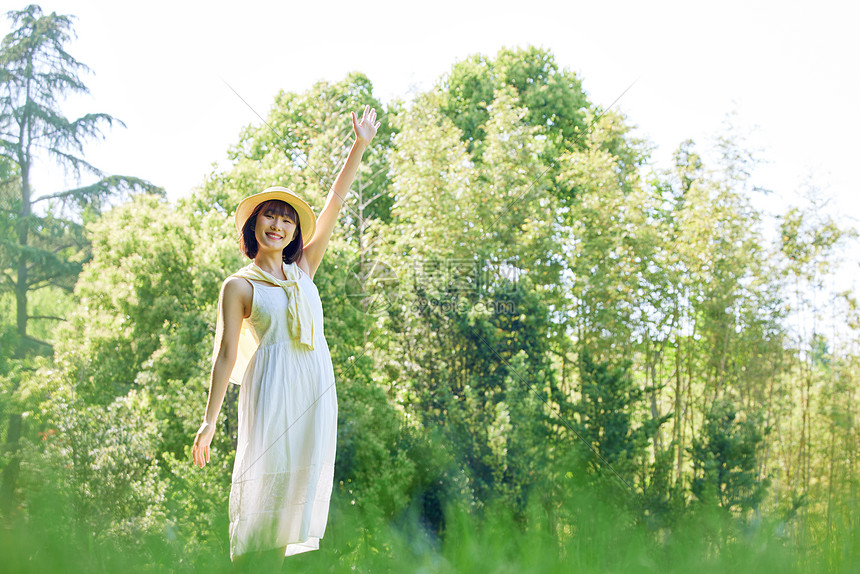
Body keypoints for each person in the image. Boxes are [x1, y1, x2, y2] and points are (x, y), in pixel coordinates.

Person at [191, 105, 380, 570]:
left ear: (295, 231)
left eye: (287, 219)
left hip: (313, 390)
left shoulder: (304, 271)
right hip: (272, 391)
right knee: (262, 499)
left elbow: (336, 199)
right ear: (254, 225)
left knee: (293, 507)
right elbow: (225, 355)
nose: (278, 225)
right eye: (269, 217)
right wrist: (210, 420)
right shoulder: (240, 285)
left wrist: (360, 144)